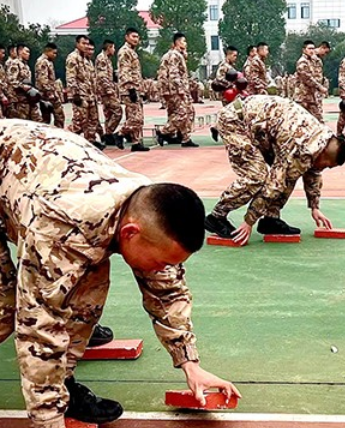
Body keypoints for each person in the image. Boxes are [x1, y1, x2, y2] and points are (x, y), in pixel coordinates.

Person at [0, 120, 240, 427]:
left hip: (37, 170)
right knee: (7, 310)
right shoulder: (64, 227)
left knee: (88, 293)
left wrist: (190, 364)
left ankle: (64, 385)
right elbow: (38, 327)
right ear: (130, 232)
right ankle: (54, 395)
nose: (162, 270)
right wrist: (48, 420)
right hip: (24, 181)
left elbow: (166, 291)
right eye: (160, 262)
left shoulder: (147, 210)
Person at [204, 94, 345, 246]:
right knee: (257, 176)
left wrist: (314, 207)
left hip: (259, 130)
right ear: (325, 153)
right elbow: (274, 184)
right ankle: (216, 217)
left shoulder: (319, 140)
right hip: (235, 122)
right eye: (327, 165)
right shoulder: (300, 145)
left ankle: (270, 219)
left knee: (290, 173)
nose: (324, 168)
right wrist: (249, 221)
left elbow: (312, 171)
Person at [118, 28, 150, 152]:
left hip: (136, 89)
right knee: (136, 118)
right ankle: (120, 134)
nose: (136, 39)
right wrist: (130, 88)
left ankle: (136, 142)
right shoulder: (125, 51)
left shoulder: (132, 52)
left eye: (137, 37)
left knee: (138, 117)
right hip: (129, 89)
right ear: (126, 37)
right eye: (133, 36)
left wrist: (142, 91)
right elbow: (125, 71)